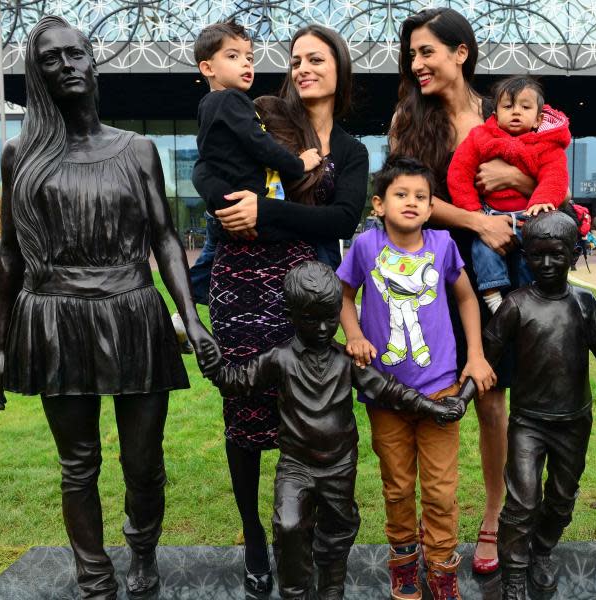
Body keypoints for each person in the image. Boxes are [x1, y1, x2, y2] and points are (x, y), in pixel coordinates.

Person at [0, 16, 221, 599]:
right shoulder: (22, 155)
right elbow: (9, 252)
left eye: (74, 54)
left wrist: (190, 318)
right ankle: (93, 573)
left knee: (143, 460)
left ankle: (143, 553)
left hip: (133, 312)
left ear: (93, 61)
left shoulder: (137, 150)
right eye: (50, 61)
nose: (66, 66)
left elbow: (165, 238)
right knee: (78, 463)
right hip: (56, 317)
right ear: (38, 77)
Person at [195, 24, 370, 593]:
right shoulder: (264, 113)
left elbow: (342, 221)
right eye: (296, 60)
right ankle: (253, 535)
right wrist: (216, 197)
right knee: (244, 407)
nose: (303, 69)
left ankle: (301, 533)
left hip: (303, 287)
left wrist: (265, 212)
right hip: (240, 279)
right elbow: (209, 160)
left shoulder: (350, 150)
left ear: (339, 68)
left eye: (316, 59)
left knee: (308, 417)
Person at [208, 261, 467, 600]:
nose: (322, 328)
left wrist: (433, 407)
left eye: (330, 318)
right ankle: (294, 591)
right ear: (291, 314)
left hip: (339, 467)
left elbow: (389, 389)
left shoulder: (346, 360)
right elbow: (235, 383)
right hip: (296, 466)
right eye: (311, 318)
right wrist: (211, 359)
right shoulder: (280, 360)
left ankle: (331, 591)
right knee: (287, 526)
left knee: (336, 534)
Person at [391, 8, 528, 574]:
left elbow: (542, 169)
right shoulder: (409, 118)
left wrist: (515, 181)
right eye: (413, 55)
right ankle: (427, 523)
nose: (417, 64)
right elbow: (409, 193)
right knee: (440, 393)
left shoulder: (504, 112)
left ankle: (494, 517)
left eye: (427, 52)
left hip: (506, 268)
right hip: (438, 277)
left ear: (461, 52)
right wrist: (477, 220)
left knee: (496, 399)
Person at [337, 157, 495, 599]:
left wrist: (476, 357)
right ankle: (404, 560)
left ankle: (442, 564)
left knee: (442, 491)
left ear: (430, 208)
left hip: (441, 391)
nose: (411, 202)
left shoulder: (443, 246)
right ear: (379, 204)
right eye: (400, 194)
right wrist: (353, 334)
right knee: (398, 486)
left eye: (421, 197)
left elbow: (466, 300)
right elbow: (344, 297)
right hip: (386, 396)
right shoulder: (366, 248)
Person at [481, 212, 596, 599]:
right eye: (537, 256)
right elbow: (486, 358)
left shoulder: (583, 303)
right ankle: (513, 571)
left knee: (562, 499)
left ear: (574, 254)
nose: (546, 264)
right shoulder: (515, 305)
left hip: (574, 421)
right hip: (528, 422)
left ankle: (541, 550)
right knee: (522, 500)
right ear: (525, 256)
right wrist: (462, 394)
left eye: (556, 255)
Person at [447, 76, 571, 313]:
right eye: (508, 106)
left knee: (532, 255)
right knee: (482, 249)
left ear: (538, 119)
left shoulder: (547, 144)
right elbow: (459, 172)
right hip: (491, 214)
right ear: (495, 113)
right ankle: (493, 298)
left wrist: (542, 201)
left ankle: (529, 299)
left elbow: (555, 177)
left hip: (529, 217)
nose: (516, 112)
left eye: (525, 107)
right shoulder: (480, 137)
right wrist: (472, 209)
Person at [192, 20, 322, 233]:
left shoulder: (211, 105)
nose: (246, 63)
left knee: (209, 260)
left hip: (230, 210)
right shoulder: (230, 99)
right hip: (244, 208)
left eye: (249, 58)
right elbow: (260, 144)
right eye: (233, 56)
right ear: (207, 68)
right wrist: (299, 164)